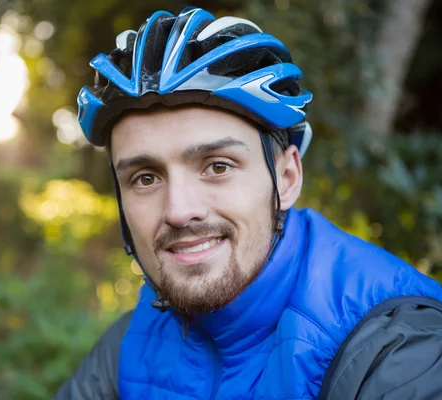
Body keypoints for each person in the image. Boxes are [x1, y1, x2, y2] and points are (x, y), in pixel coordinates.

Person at [54, 7, 442, 399]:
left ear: (287, 179)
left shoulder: (396, 348)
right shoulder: (131, 344)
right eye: (146, 178)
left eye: (218, 166)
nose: (179, 210)